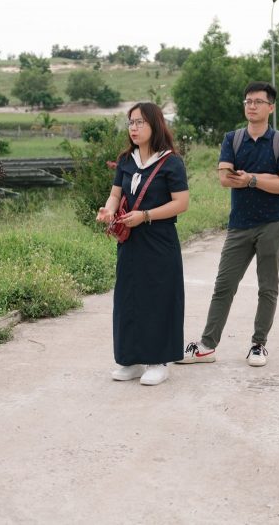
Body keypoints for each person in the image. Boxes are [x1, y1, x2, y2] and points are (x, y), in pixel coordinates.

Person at [177, 81, 279, 367]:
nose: (251, 106)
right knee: (224, 285)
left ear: (271, 107)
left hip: (272, 223)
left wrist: (251, 180)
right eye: (247, 101)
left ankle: (258, 345)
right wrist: (264, 180)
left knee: (267, 287)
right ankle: (206, 345)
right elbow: (224, 178)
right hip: (239, 224)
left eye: (258, 101)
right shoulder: (233, 139)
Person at [96, 103, 189, 386]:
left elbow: (181, 203)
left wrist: (146, 215)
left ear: (155, 124)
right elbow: (115, 194)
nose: (133, 128)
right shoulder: (127, 159)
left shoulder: (171, 162)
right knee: (129, 298)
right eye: (130, 123)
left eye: (139, 122)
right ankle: (131, 359)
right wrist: (109, 210)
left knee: (159, 298)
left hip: (159, 239)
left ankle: (159, 361)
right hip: (130, 240)